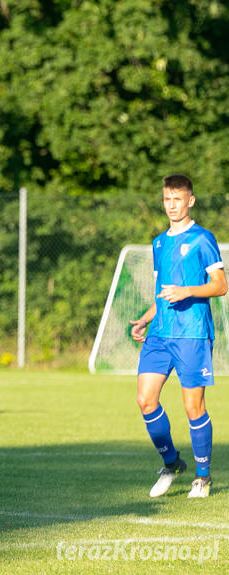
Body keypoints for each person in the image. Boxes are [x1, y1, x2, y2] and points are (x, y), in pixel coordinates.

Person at [129, 174, 227, 499]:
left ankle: (202, 475)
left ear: (190, 201)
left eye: (178, 199)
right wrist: (144, 320)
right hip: (160, 333)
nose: (172, 206)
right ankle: (171, 463)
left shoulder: (202, 239)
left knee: (192, 407)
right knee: (145, 399)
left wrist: (187, 291)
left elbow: (220, 285)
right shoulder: (159, 242)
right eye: (167, 199)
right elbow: (161, 294)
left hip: (192, 334)